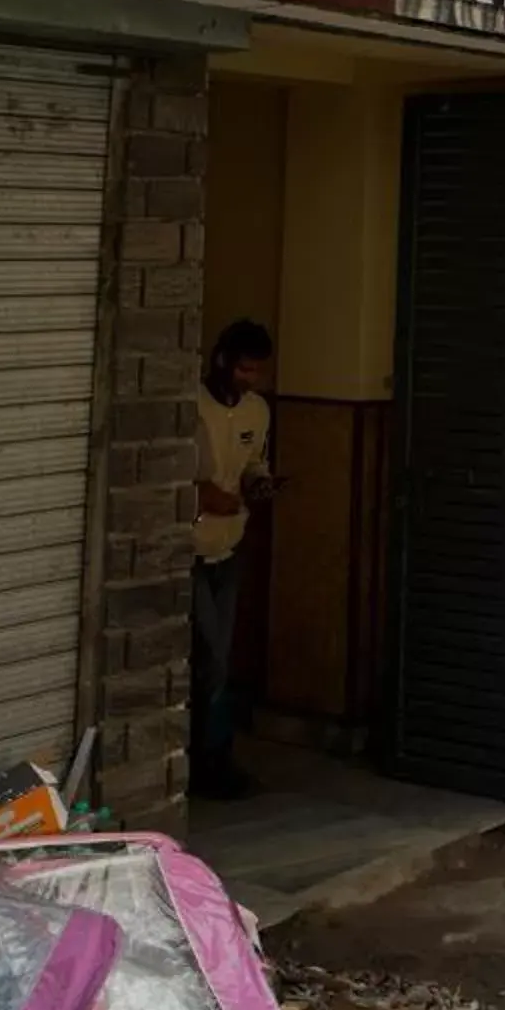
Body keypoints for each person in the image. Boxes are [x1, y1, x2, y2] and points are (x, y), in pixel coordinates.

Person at [191, 318, 276, 801]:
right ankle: (206, 763)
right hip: (189, 549)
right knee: (211, 657)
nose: (249, 379)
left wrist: (258, 483)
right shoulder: (191, 406)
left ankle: (213, 758)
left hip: (229, 547)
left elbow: (252, 464)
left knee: (217, 662)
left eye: (257, 372)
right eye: (244, 368)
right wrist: (203, 498)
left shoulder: (257, 412)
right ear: (222, 360)